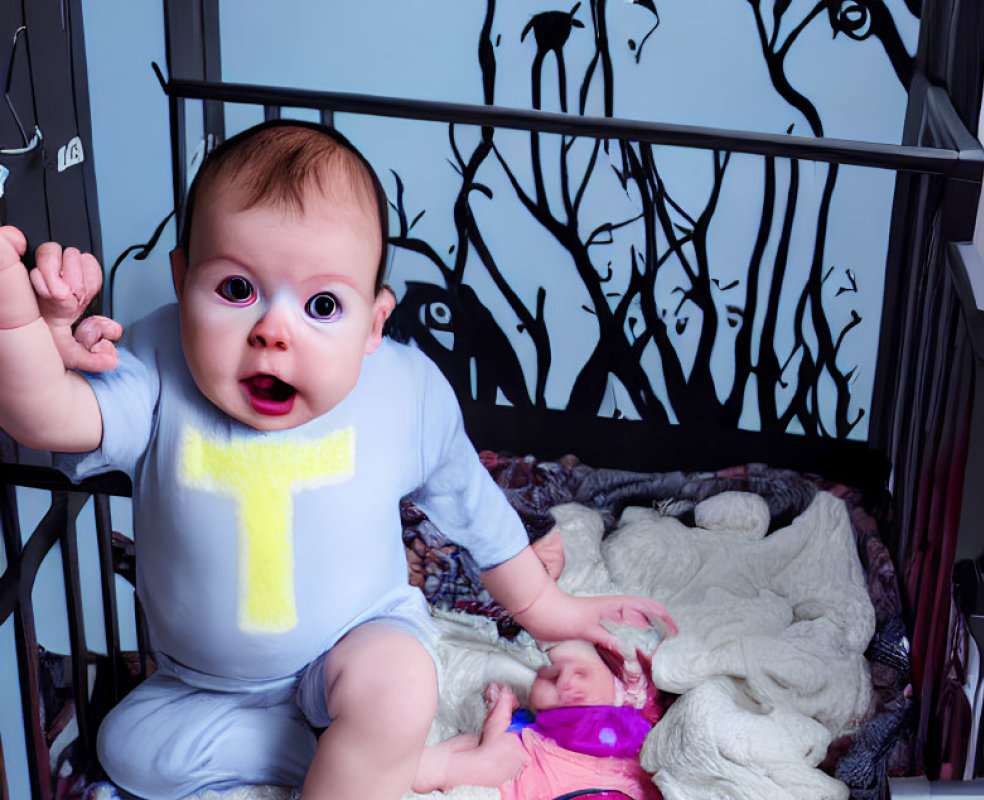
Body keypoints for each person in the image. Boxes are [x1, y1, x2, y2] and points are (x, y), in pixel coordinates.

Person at [0, 119, 675, 800]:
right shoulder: (153, 361)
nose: (273, 332)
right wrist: (17, 323)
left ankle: (369, 754)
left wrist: (547, 608)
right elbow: (44, 415)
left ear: (375, 323)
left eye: (322, 304)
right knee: (128, 749)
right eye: (236, 290)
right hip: (205, 685)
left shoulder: (406, 396)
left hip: (352, 646)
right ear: (181, 282)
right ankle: (391, 769)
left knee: (402, 682)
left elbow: (477, 512)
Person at [412, 640, 664, 799]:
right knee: (477, 749)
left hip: (519, 776)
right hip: (514, 781)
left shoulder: (626, 726)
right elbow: (497, 741)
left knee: (491, 753)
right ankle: (410, 771)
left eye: (581, 673)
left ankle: (413, 771)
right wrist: (502, 708)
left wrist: (501, 708)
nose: (566, 683)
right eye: (552, 679)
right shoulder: (534, 734)